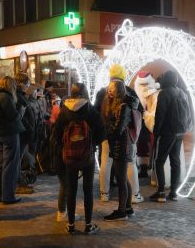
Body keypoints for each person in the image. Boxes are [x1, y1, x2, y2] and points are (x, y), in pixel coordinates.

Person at [54, 83, 105, 234]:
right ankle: (88, 225)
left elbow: (56, 133)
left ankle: (70, 225)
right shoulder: (90, 110)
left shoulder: (64, 110)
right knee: (88, 190)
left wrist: (65, 146)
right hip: (87, 157)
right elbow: (102, 132)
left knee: (71, 189)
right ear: (85, 94)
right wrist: (92, 144)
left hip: (69, 157)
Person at [94, 64, 144, 204]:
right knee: (130, 163)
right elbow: (138, 112)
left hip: (106, 134)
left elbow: (96, 112)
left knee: (105, 162)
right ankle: (134, 194)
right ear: (123, 76)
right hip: (125, 136)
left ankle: (105, 193)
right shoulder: (128, 92)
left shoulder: (102, 92)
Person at [102, 80, 139, 221]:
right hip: (121, 145)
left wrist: (106, 133)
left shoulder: (124, 107)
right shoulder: (119, 104)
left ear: (118, 90)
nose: (108, 91)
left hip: (121, 146)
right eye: (108, 88)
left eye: (111, 89)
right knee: (123, 178)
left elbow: (118, 129)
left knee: (121, 179)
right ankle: (128, 208)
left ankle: (121, 211)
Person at [0, 76, 25, 204]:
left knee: (0, 163)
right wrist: (20, 111)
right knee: (10, 165)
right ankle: (8, 196)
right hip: (9, 133)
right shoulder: (5, 97)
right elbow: (13, 116)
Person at [150, 70, 187, 202]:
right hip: (180, 133)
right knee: (175, 161)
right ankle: (173, 193)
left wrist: (156, 131)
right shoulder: (182, 93)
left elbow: (160, 115)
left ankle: (160, 192)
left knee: (159, 161)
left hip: (168, 132)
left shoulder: (164, 93)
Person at [14, 72, 36, 194]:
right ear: (21, 84)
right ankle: (17, 184)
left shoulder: (19, 95)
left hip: (24, 132)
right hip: (22, 133)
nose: (28, 86)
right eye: (27, 84)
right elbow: (21, 116)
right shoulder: (17, 96)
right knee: (18, 159)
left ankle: (19, 182)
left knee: (19, 158)